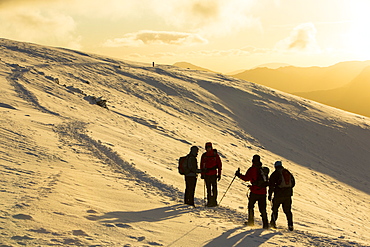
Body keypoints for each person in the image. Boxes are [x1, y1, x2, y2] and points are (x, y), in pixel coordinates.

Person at [235, 154, 269, 229]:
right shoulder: (263, 170)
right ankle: (265, 224)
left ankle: (251, 221)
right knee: (263, 209)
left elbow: (246, 178)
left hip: (254, 191)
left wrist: (238, 175)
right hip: (263, 192)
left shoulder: (252, 169)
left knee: (251, 206)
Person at [268, 161, 295, 231]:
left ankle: (273, 223)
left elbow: (271, 185)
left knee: (275, 209)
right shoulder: (287, 172)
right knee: (288, 211)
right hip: (288, 195)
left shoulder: (275, 174)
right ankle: (290, 225)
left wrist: (270, 195)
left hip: (278, 195)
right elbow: (293, 183)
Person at [200, 142, 222, 207]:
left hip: (212, 174)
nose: (208, 149)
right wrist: (202, 174)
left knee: (213, 188)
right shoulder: (212, 155)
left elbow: (219, 165)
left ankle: (213, 201)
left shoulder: (209, 155)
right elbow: (202, 165)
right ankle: (210, 201)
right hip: (208, 174)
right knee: (209, 189)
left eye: (209, 148)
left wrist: (219, 174)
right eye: (207, 148)